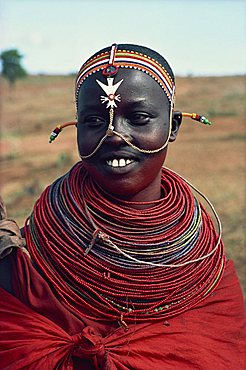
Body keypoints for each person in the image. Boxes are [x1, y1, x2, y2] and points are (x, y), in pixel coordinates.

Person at [0, 43, 245, 370]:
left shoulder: (204, 270)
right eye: (93, 120)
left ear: (172, 127)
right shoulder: (29, 260)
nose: (115, 134)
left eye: (139, 118)